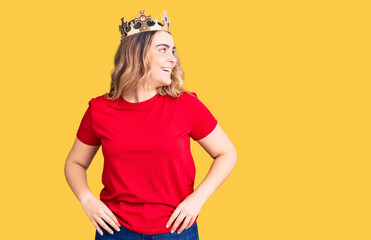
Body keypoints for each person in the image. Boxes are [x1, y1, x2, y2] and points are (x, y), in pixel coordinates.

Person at [64, 10, 237, 240]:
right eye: (163, 49)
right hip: (115, 232)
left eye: (173, 51)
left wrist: (197, 200)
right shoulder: (99, 110)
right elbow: (74, 163)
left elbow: (227, 153)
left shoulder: (187, 105)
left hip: (176, 232)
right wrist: (87, 200)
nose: (173, 59)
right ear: (137, 53)